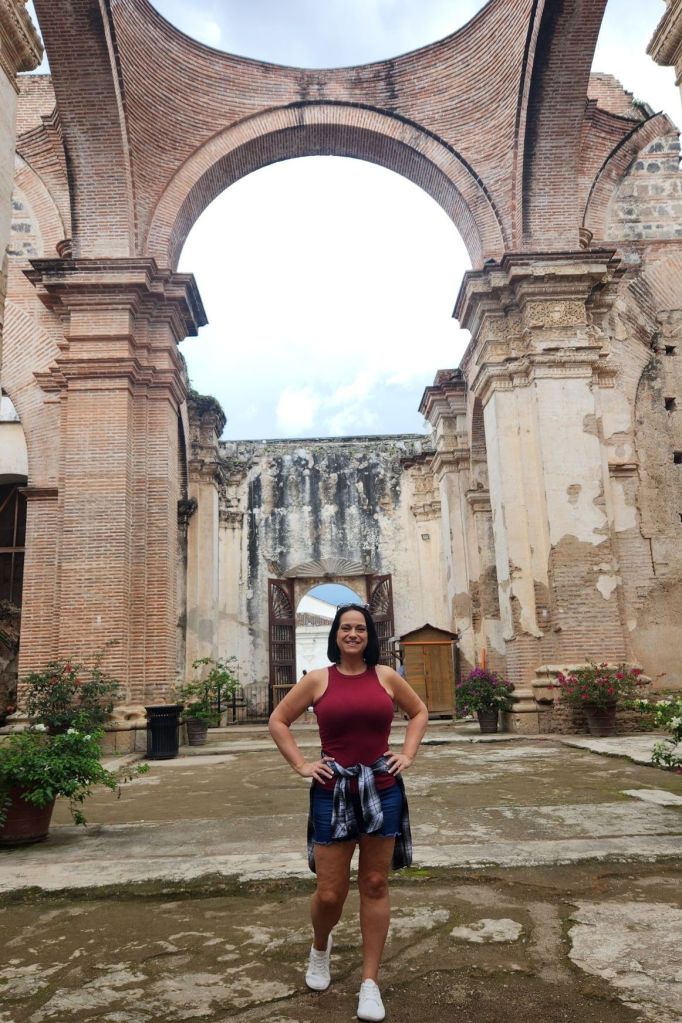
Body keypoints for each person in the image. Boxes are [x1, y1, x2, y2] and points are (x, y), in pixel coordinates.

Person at [269, 603, 428, 1022]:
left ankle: (369, 983)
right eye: (346, 628)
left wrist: (407, 754)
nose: (353, 634)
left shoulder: (386, 677)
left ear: (369, 636)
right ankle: (320, 946)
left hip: (382, 789)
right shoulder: (318, 680)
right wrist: (302, 765)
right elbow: (278, 720)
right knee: (329, 892)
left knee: (375, 883)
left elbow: (419, 711)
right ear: (336, 635)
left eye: (360, 628)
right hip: (333, 791)